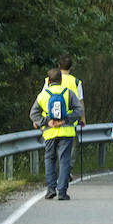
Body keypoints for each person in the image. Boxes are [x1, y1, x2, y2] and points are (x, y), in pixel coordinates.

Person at [30, 68, 83, 200]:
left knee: (50, 159)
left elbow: (33, 113)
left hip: (49, 133)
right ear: (61, 80)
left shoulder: (43, 95)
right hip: (67, 132)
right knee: (64, 161)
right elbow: (79, 110)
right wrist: (67, 120)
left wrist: (47, 122)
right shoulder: (68, 93)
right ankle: (62, 192)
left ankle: (50, 189)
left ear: (48, 80)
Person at [41, 55, 86, 127]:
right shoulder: (76, 82)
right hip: (69, 121)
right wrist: (82, 119)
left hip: (51, 120)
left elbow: (42, 99)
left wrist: (41, 120)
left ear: (59, 66)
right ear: (71, 67)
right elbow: (80, 102)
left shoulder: (49, 80)